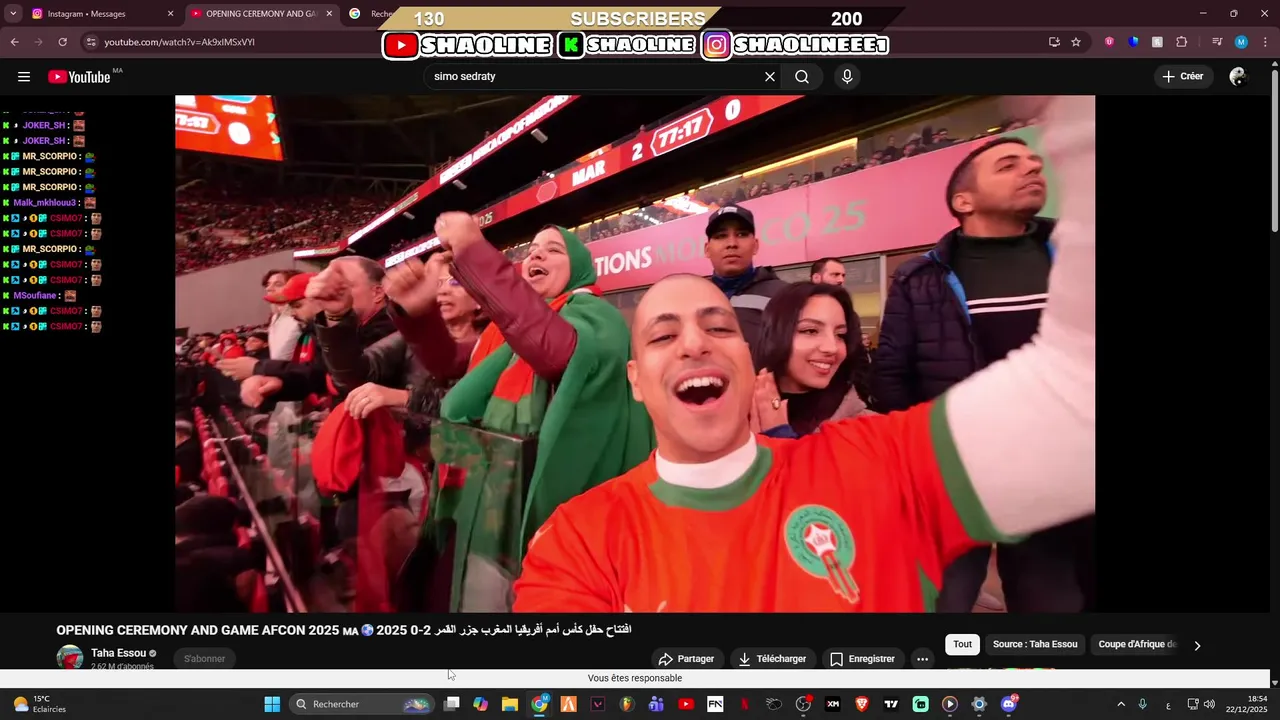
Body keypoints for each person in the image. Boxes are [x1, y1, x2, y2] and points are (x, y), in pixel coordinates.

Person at [511, 96, 1095, 612]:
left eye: (718, 327)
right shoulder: (578, 542)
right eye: (663, 336)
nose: (694, 343)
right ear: (636, 380)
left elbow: (1077, 398)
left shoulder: (873, 464)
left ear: (750, 359)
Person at [386, 214, 653, 611]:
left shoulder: (598, 317)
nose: (536, 255)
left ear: (581, 268)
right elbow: (454, 367)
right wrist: (420, 314)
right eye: (531, 250)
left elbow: (555, 351)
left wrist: (474, 252)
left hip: (549, 528)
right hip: (491, 509)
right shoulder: (508, 333)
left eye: (553, 250)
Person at [873, 135, 1088, 613]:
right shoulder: (920, 279)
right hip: (969, 479)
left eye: (1033, 163)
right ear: (963, 201)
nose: (1031, 170)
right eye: (1008, 165)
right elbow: (892, 377)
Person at [750, 283, 875, 439]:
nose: (832, 348)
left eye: (840, 335)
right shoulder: (733, 417)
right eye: (810, 331)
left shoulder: (869, 429)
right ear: (775, 334)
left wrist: (779, 439)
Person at [702, 204, 789, 353]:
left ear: (755, 246)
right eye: (721, 236)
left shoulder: (784, 296)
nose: (732, 244)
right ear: (707, 249)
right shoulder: (696, 298)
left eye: (741, 234)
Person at [262, 269, 303, 361]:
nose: (268, 289)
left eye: (278, 284)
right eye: (268, 284)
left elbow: (280, 357)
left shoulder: (297, 318)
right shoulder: (275, 316)